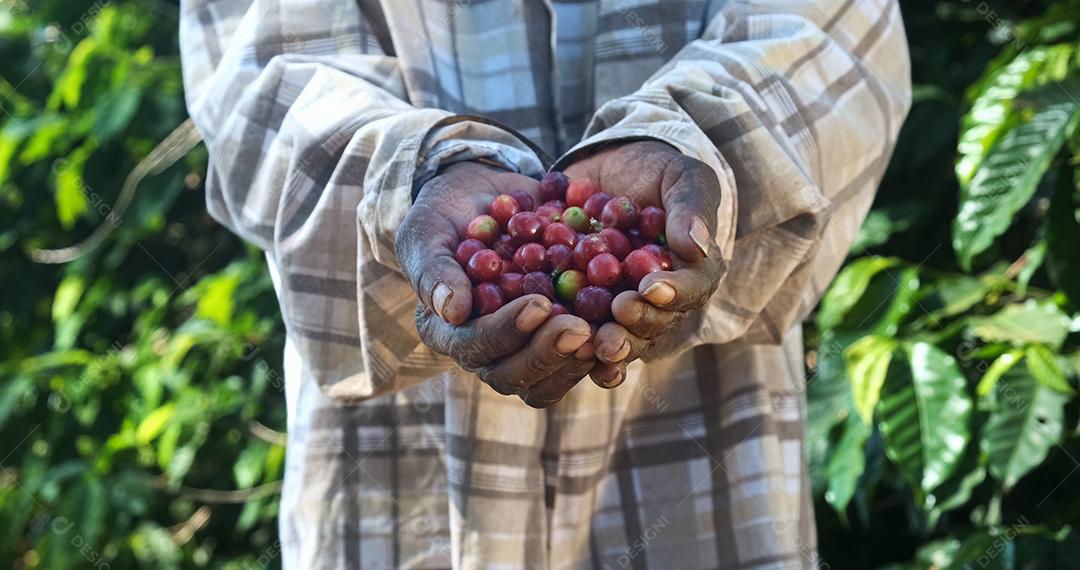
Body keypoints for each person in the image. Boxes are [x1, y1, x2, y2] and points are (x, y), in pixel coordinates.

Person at [180, 0, 910, 567]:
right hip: (410, 479)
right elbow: (260, 81)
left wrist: (693, 143)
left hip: (700, 455)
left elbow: (839, 35)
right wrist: (415, 174)